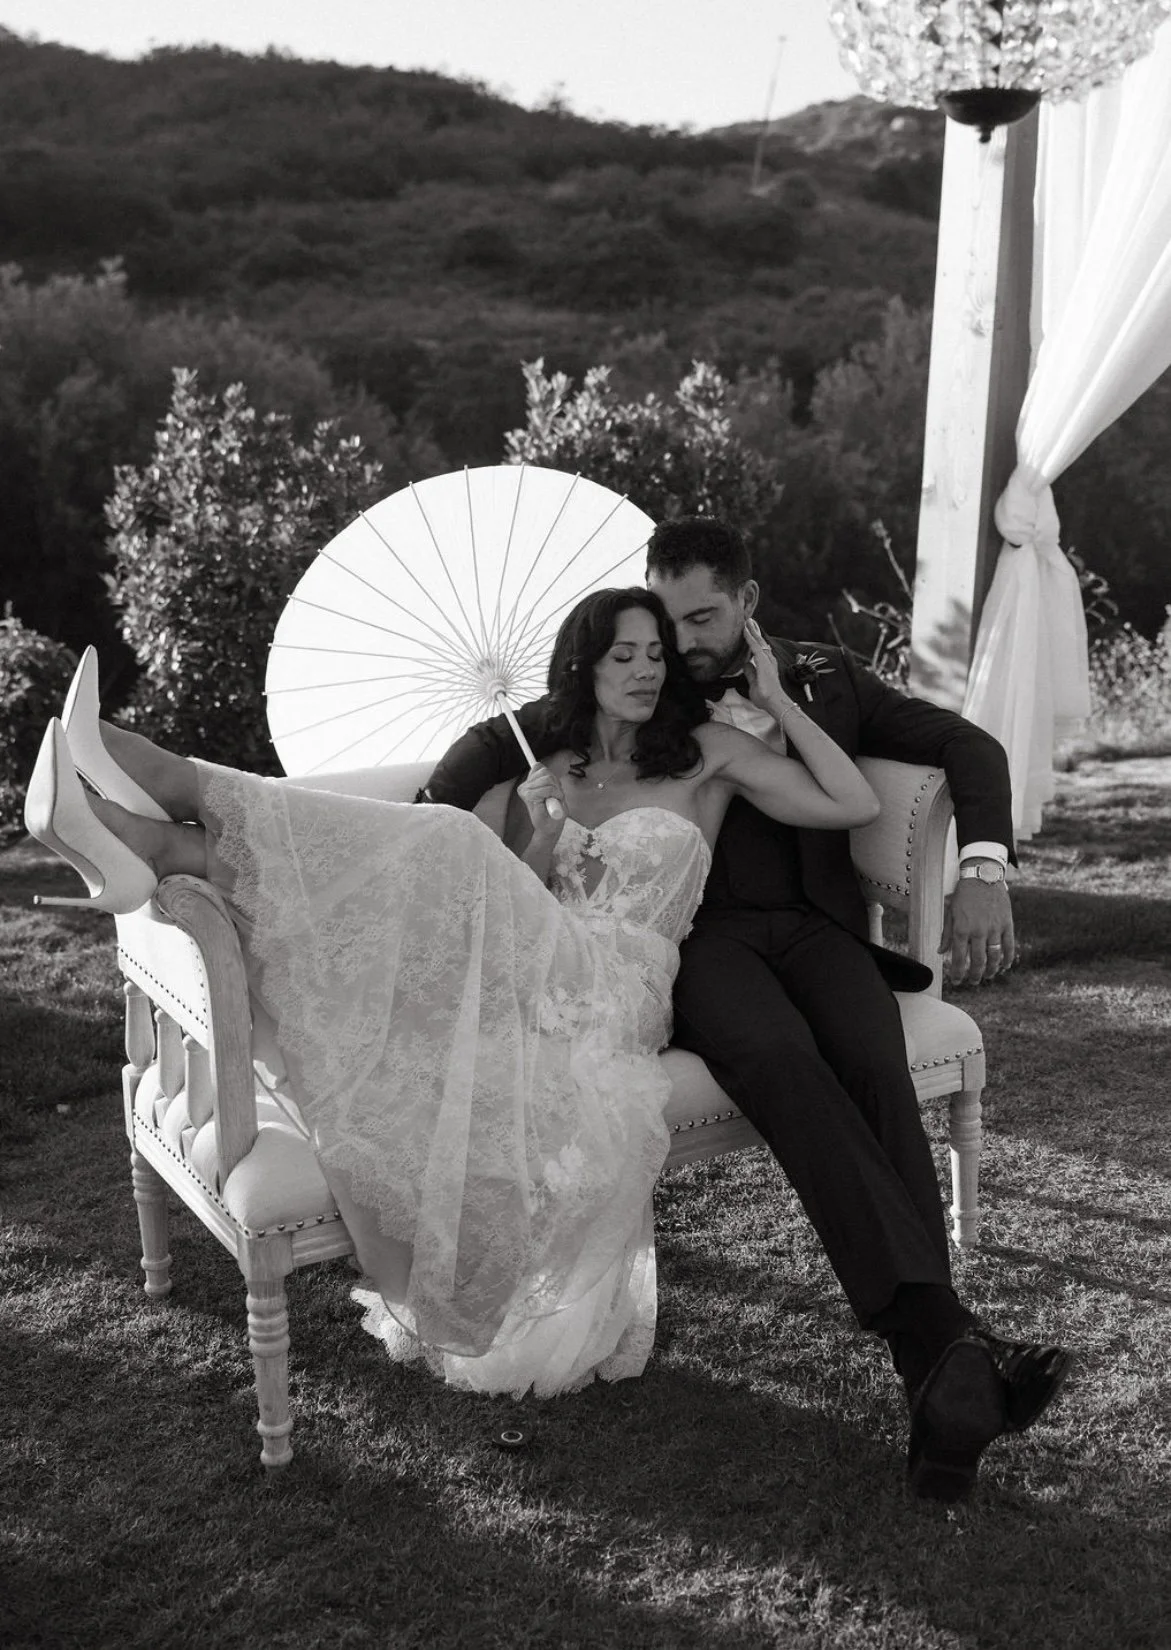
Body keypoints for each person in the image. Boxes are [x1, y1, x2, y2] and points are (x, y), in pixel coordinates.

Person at [24, 589, 879, 1407]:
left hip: (619, 983)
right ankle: (164, 832)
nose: (646, 670)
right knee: (437, 858)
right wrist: (541, 840)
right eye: (623, 653)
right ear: (584, 667)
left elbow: (854, 801)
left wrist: (773, 697)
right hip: (543, 960)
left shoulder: (706, 755)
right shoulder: (557, 769)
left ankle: (167, 809)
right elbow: (530, 898)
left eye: (655, 654)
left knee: (445, 838)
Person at [419, 517, 1072, 1501]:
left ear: (747, 603)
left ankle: (943, 1371)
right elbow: (500, 744)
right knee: (780, 1064)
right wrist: (446, 807)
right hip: (706, 947)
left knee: (873, 1069)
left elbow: (960, 745)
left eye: (698, 618)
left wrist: (980, 862)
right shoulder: (642, 680)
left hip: (819, 935)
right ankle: (948, 1354)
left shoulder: (826, 676)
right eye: (660, 623)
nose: (674, 646)